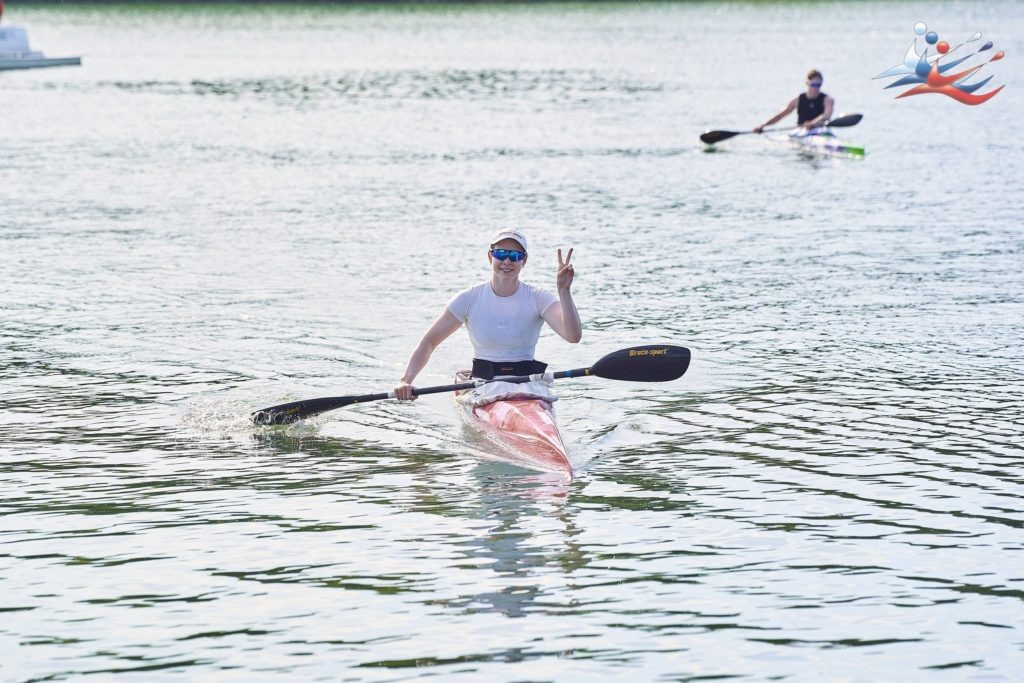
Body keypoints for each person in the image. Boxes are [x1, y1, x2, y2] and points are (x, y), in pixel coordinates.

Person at [394, 229, 581, 401]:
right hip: (482, 385)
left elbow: (573, 337)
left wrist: (564, 291)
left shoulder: (539, 297)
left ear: (524, 261)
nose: (507, 261)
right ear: (490, 256)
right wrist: (406, 380)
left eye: (515, 256)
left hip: (528, 385)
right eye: (501, 254)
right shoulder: (468, 298)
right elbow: (429, 342)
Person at [753, 69, 834, 134]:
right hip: (802, 132)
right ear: (807, 83)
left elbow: (826, 116)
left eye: (818, 84)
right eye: (813, 84)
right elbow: (780, 116)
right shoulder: (798, 100)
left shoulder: (828, 100)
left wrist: (813, 123)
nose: (816, 87)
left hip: (821, 130)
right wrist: (762, 125)